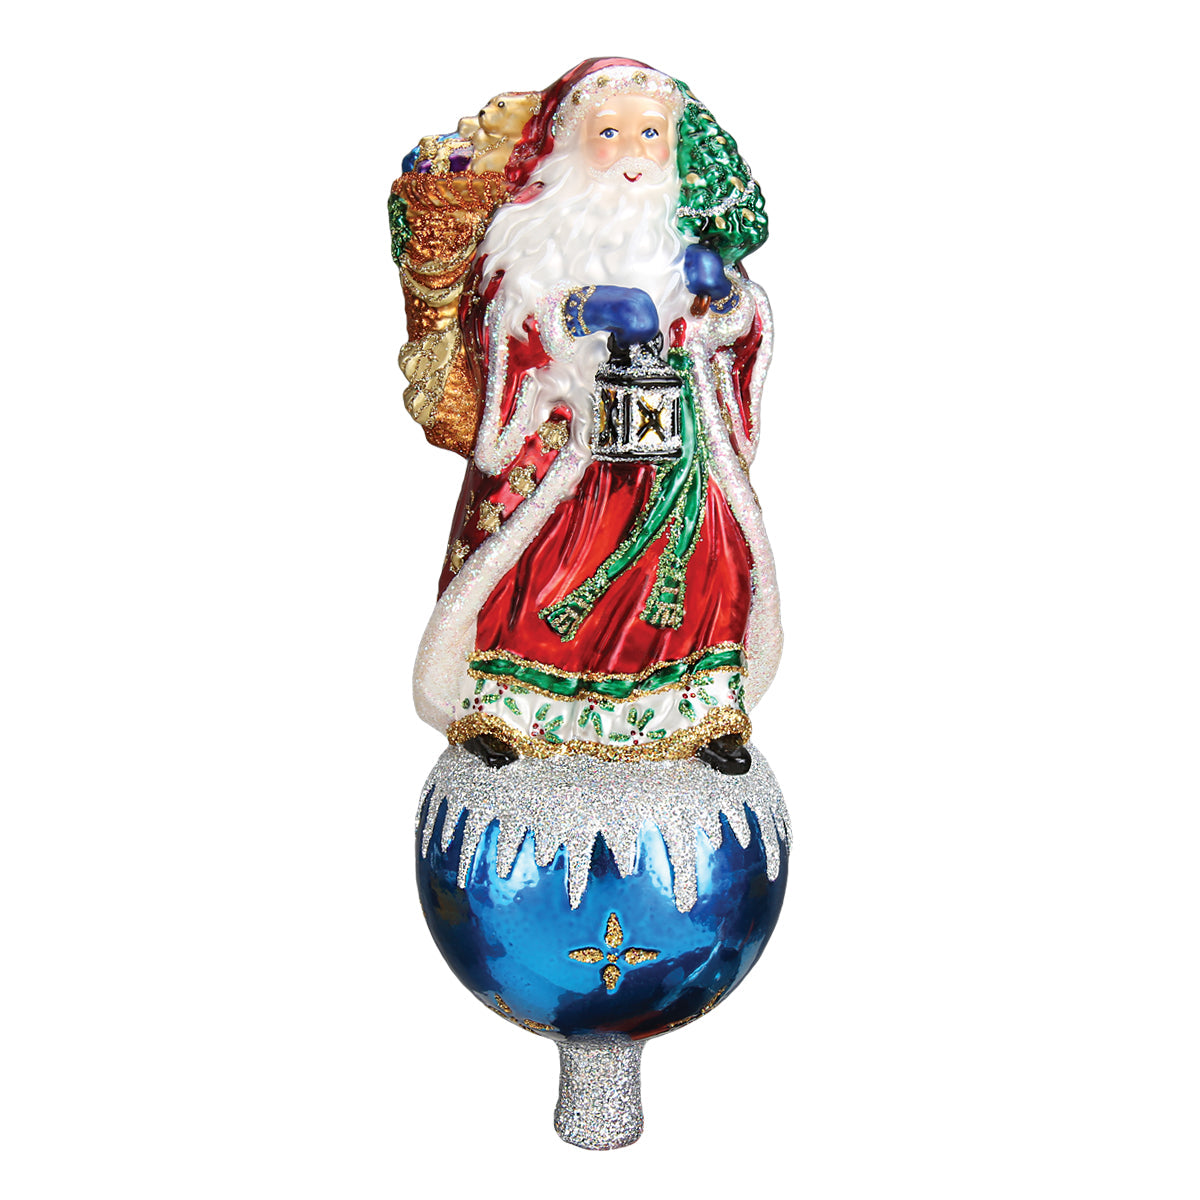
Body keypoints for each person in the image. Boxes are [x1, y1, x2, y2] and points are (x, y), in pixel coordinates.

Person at [411, 58, 782, 772]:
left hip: (676, 442)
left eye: (651, 134)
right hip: (569, 441)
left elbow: (737, 332)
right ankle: (512, 709)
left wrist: (725, 301)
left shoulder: (681, 239)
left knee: (703, 568)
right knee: (543, 566)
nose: (634, 154)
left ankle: (690, 710)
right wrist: (581, 311)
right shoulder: (537, 233)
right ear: (572, 144)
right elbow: (505, 327)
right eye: (610, 133)